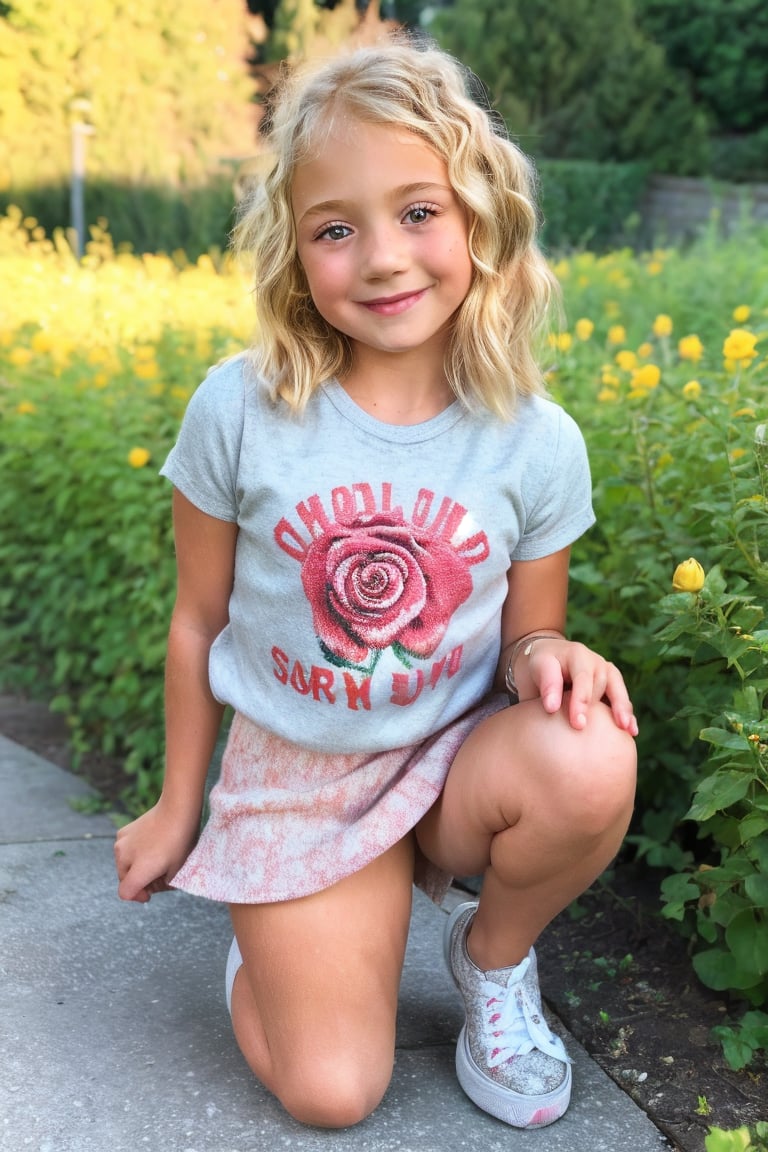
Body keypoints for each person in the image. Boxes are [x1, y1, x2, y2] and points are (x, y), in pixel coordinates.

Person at [114, 36, 638, 1133]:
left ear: (479, 218)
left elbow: (526, 648)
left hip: (446, 767)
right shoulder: (241, 409)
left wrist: (558, 656)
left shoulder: (535, 442)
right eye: (336, 229)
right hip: (298, 775)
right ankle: (283, 941)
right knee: (332, 1091)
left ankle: (491, 961)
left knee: (587, 756)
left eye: (418, 212)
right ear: (294, 253)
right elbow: (199, 619)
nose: (385, 258)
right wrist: (176, 808)